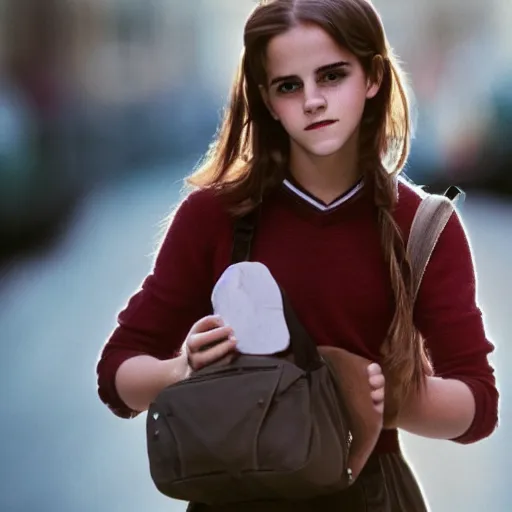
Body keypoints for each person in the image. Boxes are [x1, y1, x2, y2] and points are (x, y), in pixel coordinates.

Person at [95, 0, 499, 510]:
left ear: (372, 77)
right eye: (289, 85)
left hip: (369, 497)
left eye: (332, 76)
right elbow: (117, 374)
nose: (312, 100)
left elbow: (478, 406)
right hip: (236, 497)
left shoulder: (422, 226)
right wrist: (183, 370)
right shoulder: (212, 216)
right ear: (266, 98)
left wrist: (391, 400)